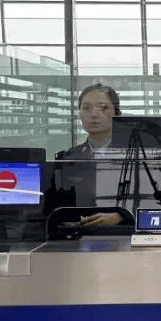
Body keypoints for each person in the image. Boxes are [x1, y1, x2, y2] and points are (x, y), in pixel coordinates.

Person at [54, 84, 126, 227]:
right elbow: (53, 208)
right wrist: (66, 222)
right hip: (79, 234)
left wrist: (122, 217)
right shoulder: (66, 159)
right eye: (86, 108)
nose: (94, 114)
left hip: (124, 234)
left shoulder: (136, 156)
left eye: (103, 108)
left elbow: (154, 205)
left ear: (117, 113)